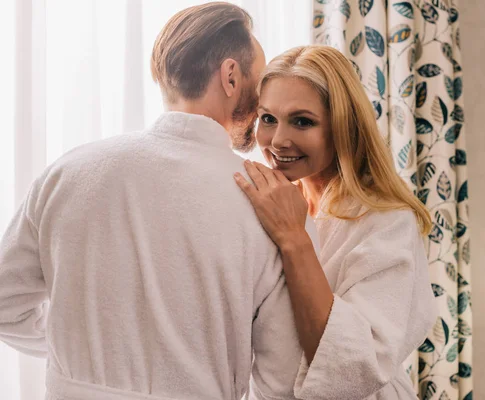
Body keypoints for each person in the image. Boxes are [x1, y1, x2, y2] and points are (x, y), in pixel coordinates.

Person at [0, 3, 285, 399]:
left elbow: (4, 303)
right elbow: (282, 377)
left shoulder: (68, 172)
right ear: (232, 77)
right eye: (260, 77)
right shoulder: (266, 201)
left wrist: (83, 357)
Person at [234, 45, 438, 400]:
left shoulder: (387, 220)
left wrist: (294, 240)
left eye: (302, 121)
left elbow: (357, 364)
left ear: (342, 126)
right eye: (268, 118)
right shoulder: (273, 202)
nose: (279, 140)